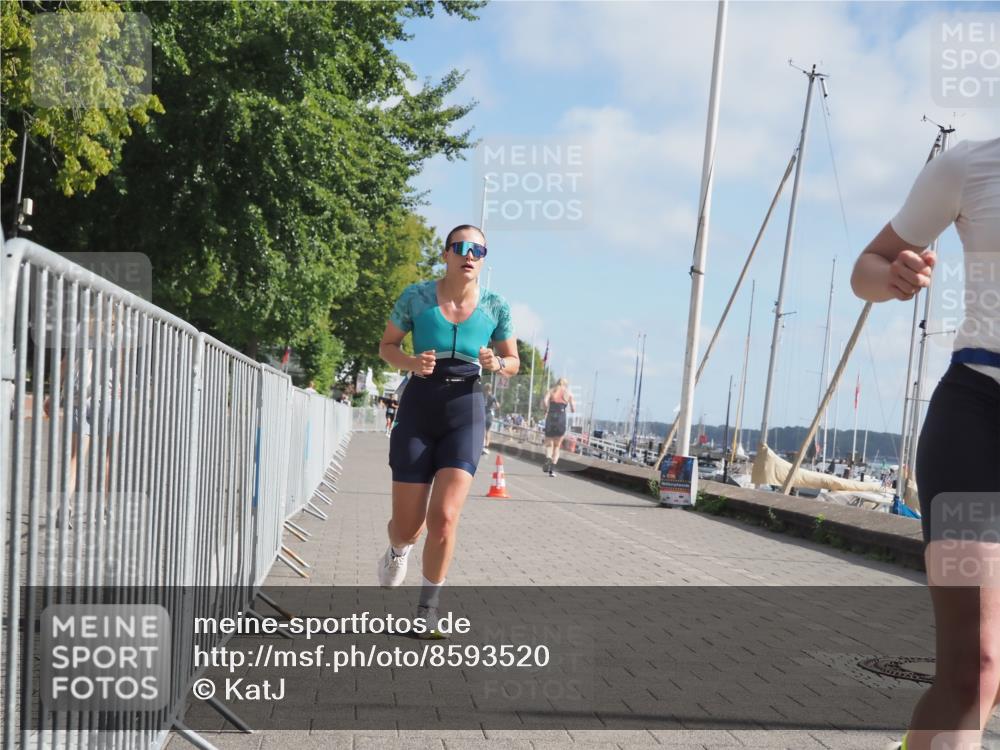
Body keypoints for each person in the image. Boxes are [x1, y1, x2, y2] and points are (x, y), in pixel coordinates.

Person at [850, 136, 1000, 750]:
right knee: (975, 667)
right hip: (977, 424)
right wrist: (894, 275)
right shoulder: (971, 165)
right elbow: (867, 269)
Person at [376, 224, 519, 637]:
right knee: (409, 526)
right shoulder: (416, 296)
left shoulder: (495, 305)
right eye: (462, 247)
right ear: (447, 254)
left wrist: (497, 365)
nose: (470, 255)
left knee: (445, 517)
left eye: (479, 250)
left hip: (466, 410)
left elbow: (513, 361)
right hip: (419, 407)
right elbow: (387, 346)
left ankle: (427, 610)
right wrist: (410, 363)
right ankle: (397, 549)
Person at [541, 378, 575, 477]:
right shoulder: (568, 394)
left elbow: (544, 401)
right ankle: (552, 469)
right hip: (561, 419)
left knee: (549, 445)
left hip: (551, 417)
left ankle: (548, 458)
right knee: (557, 446)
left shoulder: (551, 391)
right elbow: (573, 409)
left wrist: (546, 408)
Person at [482, 383, 499, 454]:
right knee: (488, 431)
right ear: (490, 389)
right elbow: (498, 405)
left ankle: (481, 446)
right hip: (489, 414)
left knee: (482, 430)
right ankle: (486, 447)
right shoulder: (493, 396)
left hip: (482, 414)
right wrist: (493, 408)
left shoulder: (482, 395)